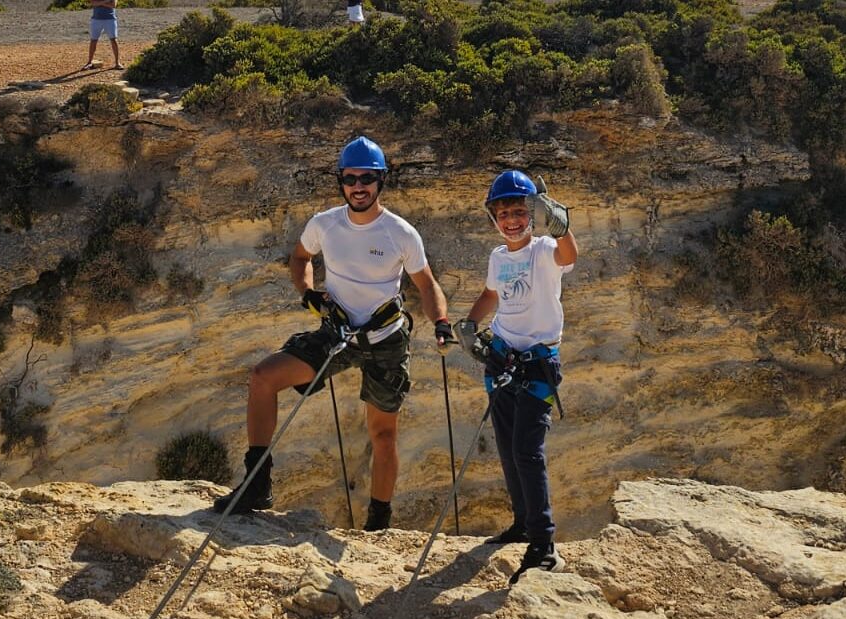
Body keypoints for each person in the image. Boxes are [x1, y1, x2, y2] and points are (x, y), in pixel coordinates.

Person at [212, 136, 454, 532]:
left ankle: (378, 522)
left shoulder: (400, 233)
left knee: (383, 434)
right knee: (262, 378)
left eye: (367, 178)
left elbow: (426, 286)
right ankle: (256, 486)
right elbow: (300, 257)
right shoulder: (325, 224)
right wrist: (308, 293)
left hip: (385, 341)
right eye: (350, 178)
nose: (359, 186)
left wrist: (441, 323)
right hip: (337, 333)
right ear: (340, 181)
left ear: (381, 181)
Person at [454, 170, 578, 585]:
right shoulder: (498, 258)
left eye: (519, 212)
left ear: (532, 215)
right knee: (508, 449)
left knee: (528, 450)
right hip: (502, 360)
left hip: (537, 365)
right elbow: (492, 294)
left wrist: (562, 226)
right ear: (493, 218)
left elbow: (568, 256)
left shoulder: (543, 250)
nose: (511, 219)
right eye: (503, 213)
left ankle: (544, 545)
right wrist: (469, 324)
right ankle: (522, 523)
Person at [83, 0, 122, 71]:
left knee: (114, 40)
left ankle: (117, 63)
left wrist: (99, 3)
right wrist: (106, 1)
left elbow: (113, 5)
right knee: (93, 40)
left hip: (110, 19)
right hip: (96, 19)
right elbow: (93, 3)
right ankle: (89, 62)